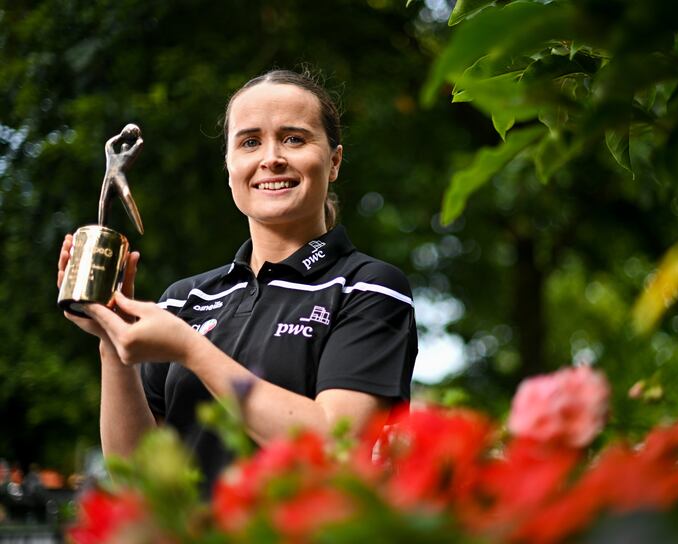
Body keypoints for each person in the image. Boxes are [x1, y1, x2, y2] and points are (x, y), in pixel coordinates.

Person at [56, 69, 418, 491]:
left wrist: (191, 350)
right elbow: (138, 479)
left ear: (334, 161)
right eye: (249, 142)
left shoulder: (368, 287)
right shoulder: (183, 300)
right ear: (229, 166)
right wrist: (112, 343)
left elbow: (336, 446)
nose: (271, 158)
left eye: (294, 139)